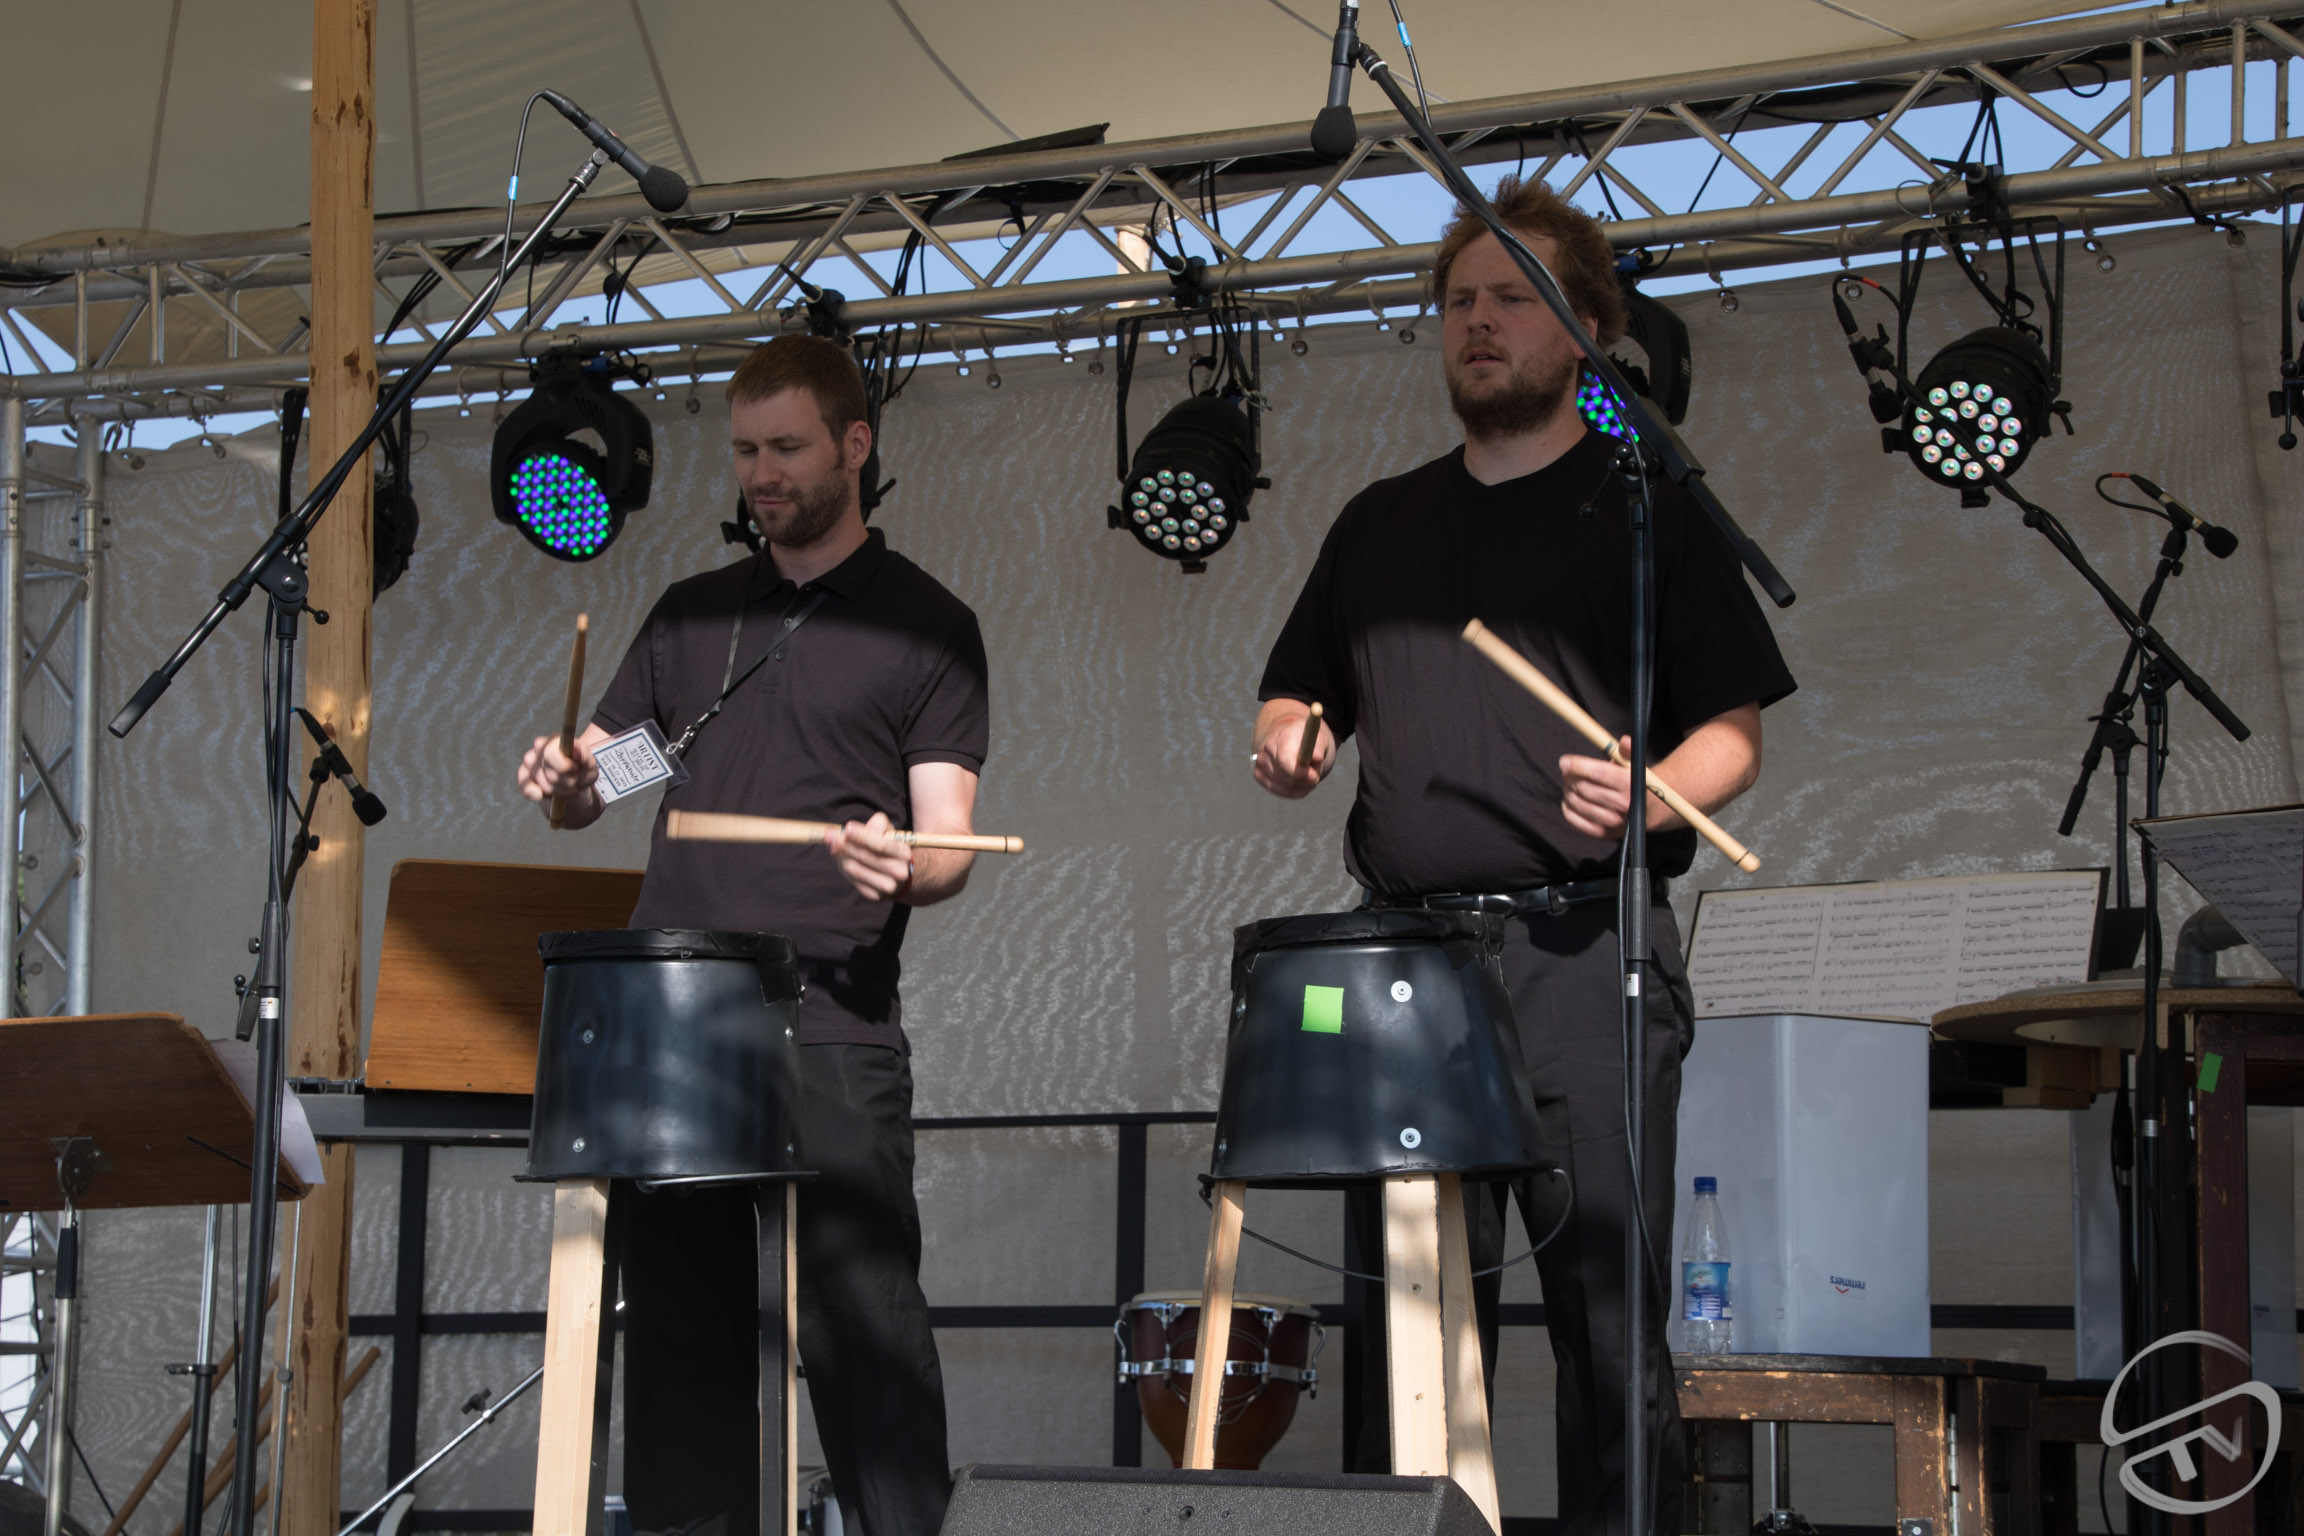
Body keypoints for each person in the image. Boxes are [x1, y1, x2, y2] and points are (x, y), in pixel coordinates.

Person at [1250, 178, 1795, 1536]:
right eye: (1459, 301)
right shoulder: (1379, 525)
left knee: (1608, 1326)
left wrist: (1656, 794)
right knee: (1410, 1339)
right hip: (1408, 971)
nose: (1478, 322)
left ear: (1590, 328)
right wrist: (1292, 740)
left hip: (1586, 956)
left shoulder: (1649, 508)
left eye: (1513, 297)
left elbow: (1733, 734)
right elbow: (1297, 696)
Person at [518, 335, 988, 1536]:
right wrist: (569, 780)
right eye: (743, 451)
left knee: (866, 1333)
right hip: (673, 1028)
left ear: (855, 444)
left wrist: (906, 863)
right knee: (683, 1343)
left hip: (830, 1024)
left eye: (786, 448)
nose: (762, 474)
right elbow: (607, 780)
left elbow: (948, 842)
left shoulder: (928, 626)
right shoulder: (690, 619)